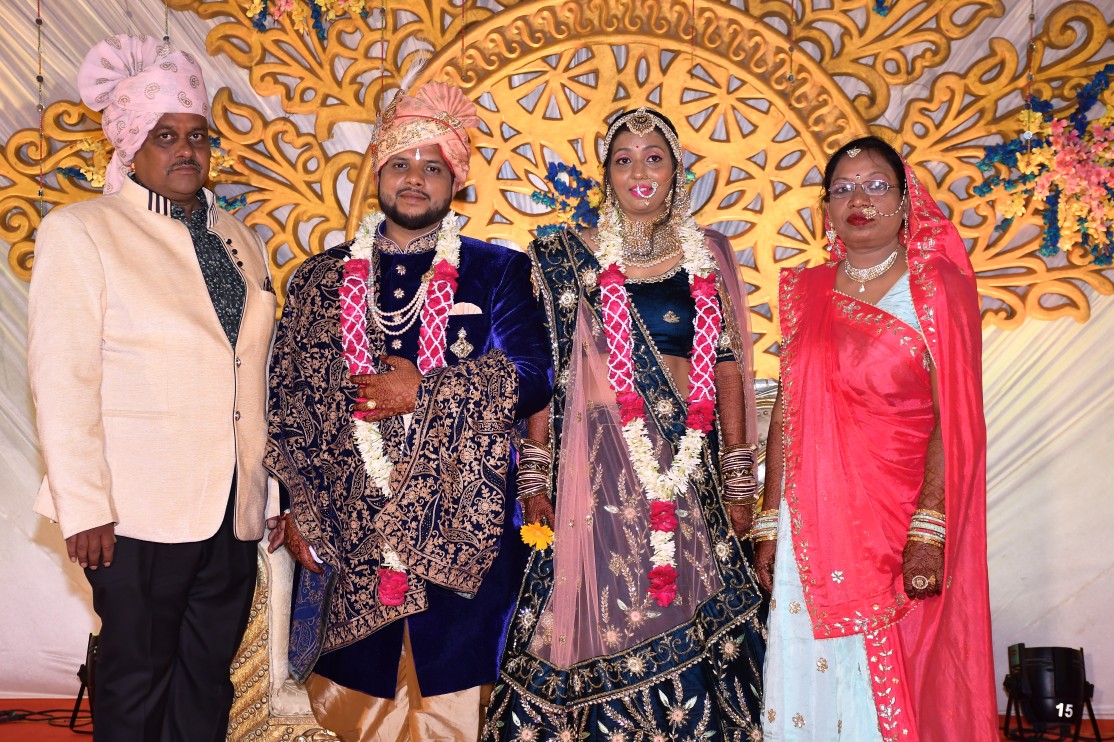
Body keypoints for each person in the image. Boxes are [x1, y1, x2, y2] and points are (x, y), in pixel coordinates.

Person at [264, 81, 552, 741]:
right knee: (360, 703)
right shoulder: (319, 280)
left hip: (466, 529)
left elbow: (535, 379)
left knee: (459, 698)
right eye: (400, 163)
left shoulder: (496, 272)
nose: (414, 179)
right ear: (377, 174)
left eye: (432, 166)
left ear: (456, 181)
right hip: (353, 527)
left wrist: (425, 392)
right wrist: (302, 508)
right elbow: (291, 407)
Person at [485, 107, 766, 740]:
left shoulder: (707, 254)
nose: (639, 171)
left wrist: (739, 482)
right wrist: (534, 476)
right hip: (592, 475)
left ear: (676, 171)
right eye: (624, 159)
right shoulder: (561, 257)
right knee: (593, 616)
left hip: (682, 471)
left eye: (654, 157)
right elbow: (545, 373)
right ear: (606, 174)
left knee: (684, 606)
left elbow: (726, 368)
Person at [27, 34, 275, 741]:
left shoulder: (238, 237)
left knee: (207, 682)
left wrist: (267, 494)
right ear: (131, 145)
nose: (186, 150)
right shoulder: (83, 231)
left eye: (198, 135)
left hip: (231, 511)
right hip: (133, 515)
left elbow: (248, 375)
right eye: (165, 136)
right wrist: (84, 506)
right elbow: (62, 378)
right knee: (135, 683)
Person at [755, 135, 997, 741]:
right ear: (826, 208)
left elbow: (954, 416)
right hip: (809, 519)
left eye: (875, 186)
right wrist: (769, 519)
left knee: (898, 665)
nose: (858, 200)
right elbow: (788, 408)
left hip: (900, 518)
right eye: (842, 189)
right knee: (811, 667)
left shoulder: (936, 287)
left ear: (905, 200)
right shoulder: (808, 290)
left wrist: (930, 525)